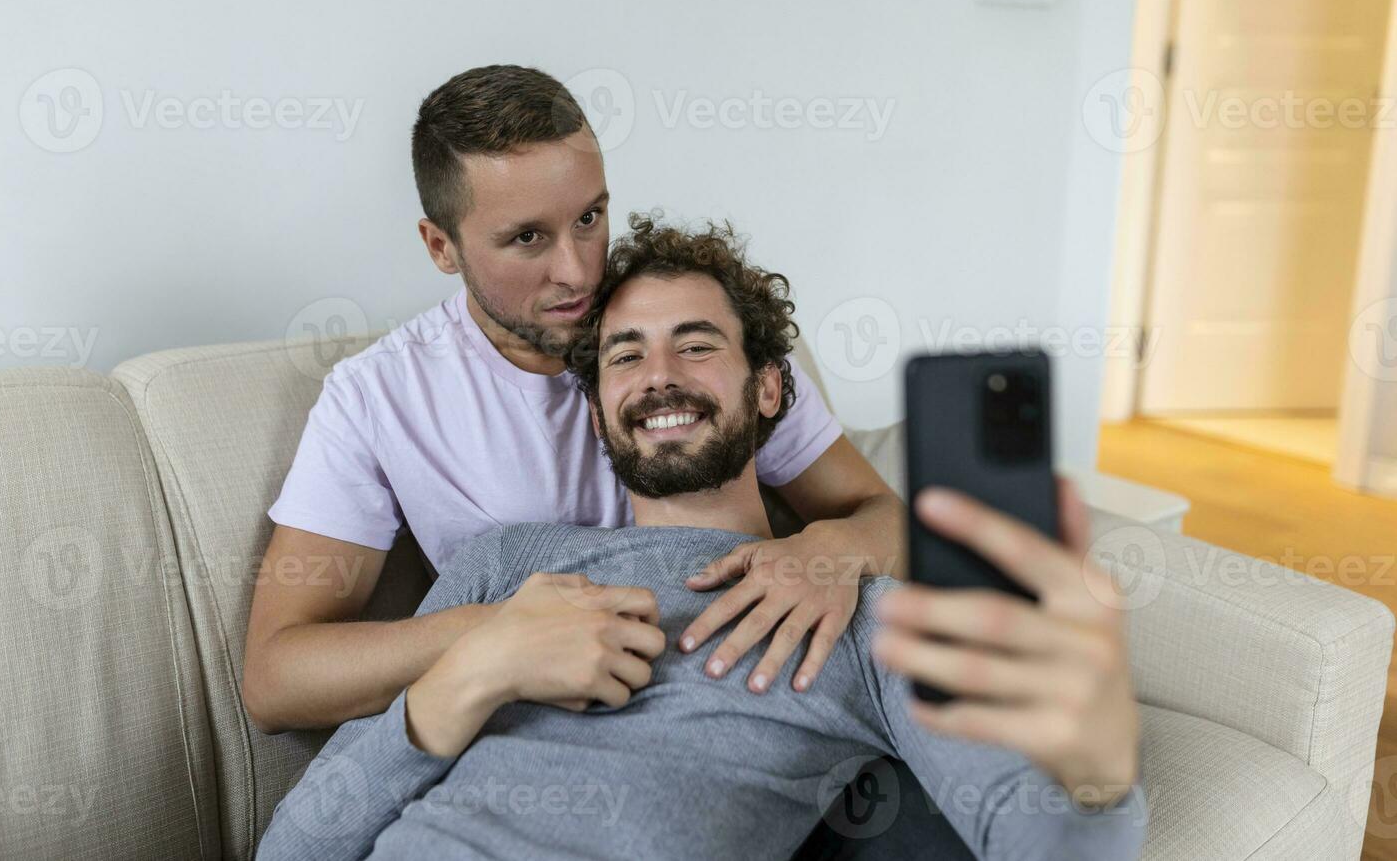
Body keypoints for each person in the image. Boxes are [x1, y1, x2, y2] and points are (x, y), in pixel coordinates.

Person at [256, 217, 1145, 861]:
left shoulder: (866, 621)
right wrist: (466, 676)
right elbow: (293, 846)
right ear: (600, 408)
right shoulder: (505, 566)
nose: (659, 378)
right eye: (626, 356)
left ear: (768, 390)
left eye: (695, 345)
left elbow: (1038, 837)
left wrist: (1097, 773)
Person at [242, 66, 906, 737]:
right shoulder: (380, 398)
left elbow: (888, 520)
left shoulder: (697, 337)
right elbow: (274, 678)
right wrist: (497, 633)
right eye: (528, 238)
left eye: (589, 217)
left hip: (745, 702)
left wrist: (833, 550)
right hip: (548, 740)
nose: (580, 271)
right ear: (441, 246)